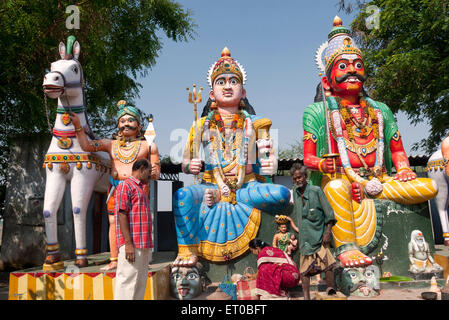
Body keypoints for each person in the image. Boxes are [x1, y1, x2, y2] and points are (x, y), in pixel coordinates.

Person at [303, 16, 437, 267]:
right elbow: (308, 158)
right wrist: (323, 166)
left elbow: (398, 153)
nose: (352, 70)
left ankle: (365, 193)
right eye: (342, 66)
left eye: (358, 65)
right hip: (343, 181)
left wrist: (405, 169)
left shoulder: (381, 111)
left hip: (381, 180)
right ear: (327, 81)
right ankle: (346, 249)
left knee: (429, 187)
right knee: (334, 189)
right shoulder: (317, 112)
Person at [173, 47, 290, 266]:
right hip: (210, 186)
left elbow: (270, 163)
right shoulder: (200, 125)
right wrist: (192, 165)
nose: (227, 86)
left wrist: (267, 163)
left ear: (243, 92)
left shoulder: (257, 123)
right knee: (182, 197)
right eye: (221, 82)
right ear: (212, 93)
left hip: (246, 187)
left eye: (233, 81)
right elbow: (185, 163)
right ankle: (187, 251)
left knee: (281, 193)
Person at [70, 100, 160, 269]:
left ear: (139, 126)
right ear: (117, 125)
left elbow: (156, 170)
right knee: (113, 222)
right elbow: (87, 146)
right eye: (122, 120)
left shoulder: (148, 146)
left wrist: (154, 171)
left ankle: (142, 260)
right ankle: (114, 260)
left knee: (139, 221)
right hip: (116, 187)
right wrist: (77, 126)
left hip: (138, 188)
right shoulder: (110, 144)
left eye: (130, 120)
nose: (126, 124)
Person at [291, 163, 337, 300]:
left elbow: (329, 213)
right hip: (305, 237)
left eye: (299, 177)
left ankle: (331, 290)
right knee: (304, 271)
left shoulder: (316, 191)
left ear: (305, 176)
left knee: (328, 264)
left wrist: (328, 232)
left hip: (320, 235)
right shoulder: (295, 191)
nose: (297, 180)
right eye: (295, 178)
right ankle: (306, 297)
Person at [113, 158, 153, 300]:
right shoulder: (125, 186)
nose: (150, 175)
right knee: (127, 282)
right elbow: (121, 214)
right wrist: (128, 244)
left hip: (142, 244)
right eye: (149, 171)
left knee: (139, 282)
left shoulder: (140, 188)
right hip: (132, 245)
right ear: (141, 169)